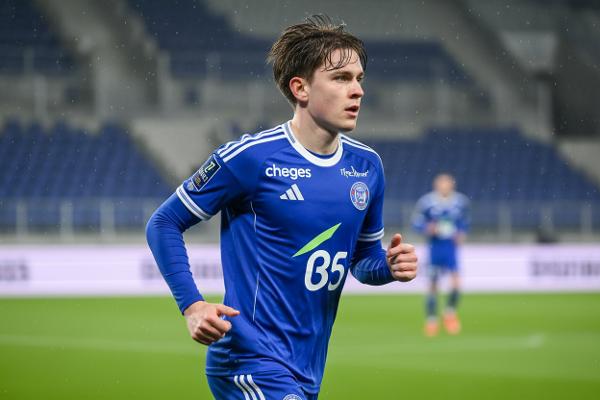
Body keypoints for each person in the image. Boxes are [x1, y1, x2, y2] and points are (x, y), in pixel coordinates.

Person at [146, 15, 418, 400]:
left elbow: (362, 261)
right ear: (300, 88)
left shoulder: (367, 167)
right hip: (248, 359)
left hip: (306, 366)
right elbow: (164, 222)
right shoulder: (250, 158)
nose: (357, 90)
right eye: (341, 78)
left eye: (359, 79)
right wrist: (193, 305)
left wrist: (388, 267)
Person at [412, 173, 469, 337]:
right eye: (441, 183)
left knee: (456, 283)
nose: (444, 186)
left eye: (447, 183)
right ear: (436, 185)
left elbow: (465, 222)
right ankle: (431, 321)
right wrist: (428, 228)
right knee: (433, 285)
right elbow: (416, 223)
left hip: (450, 248)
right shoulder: (427, 203)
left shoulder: (460, 202)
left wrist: (462, 233)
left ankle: (449, 313)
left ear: (452, 185)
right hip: (434, 248)